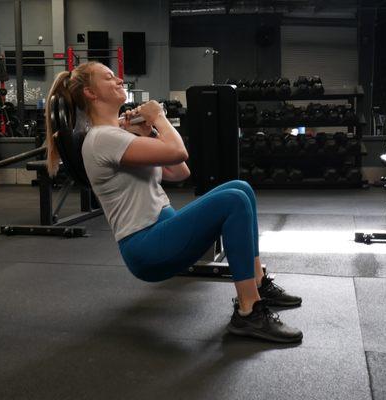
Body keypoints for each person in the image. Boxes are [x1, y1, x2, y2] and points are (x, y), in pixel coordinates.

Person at [45, 62, 303, 343]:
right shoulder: (103, 138)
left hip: (162, 228)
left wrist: (148, 133)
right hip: (146, 246)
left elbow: (181, 171)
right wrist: (159, 117)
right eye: (109, 78)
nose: (120, 79)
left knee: (240, 188)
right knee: (232, 200)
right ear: (90, 93)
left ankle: (257, 286)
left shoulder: (118, 135)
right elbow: (178, 150)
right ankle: (248, 312)